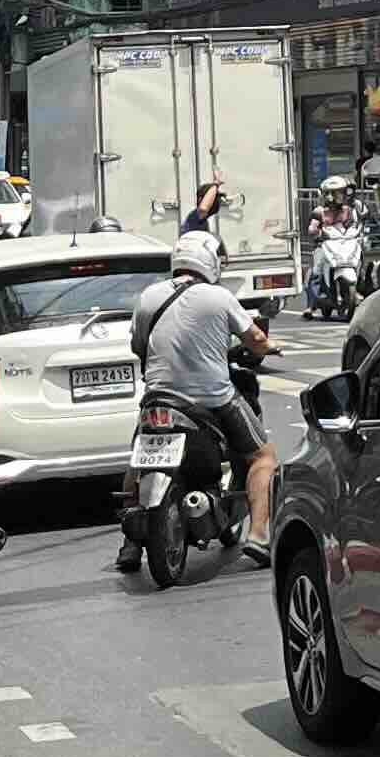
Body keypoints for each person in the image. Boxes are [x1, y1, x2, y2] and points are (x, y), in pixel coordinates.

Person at [134, 231, 274, 567]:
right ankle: (259, 536)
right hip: (212, 399)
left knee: (139, 456)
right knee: (262, 457)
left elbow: (138, 346)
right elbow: (255, 338)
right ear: (210, 261)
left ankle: (128, 545)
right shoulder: (218, 296)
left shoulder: (149, 297)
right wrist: (269, 347)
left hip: (158, 399)